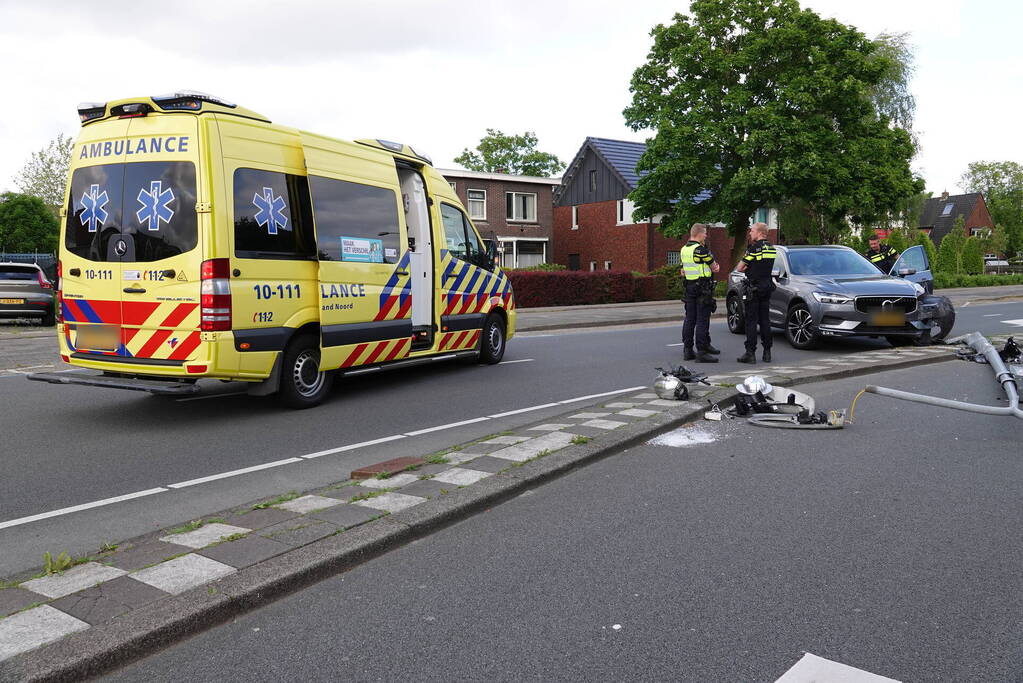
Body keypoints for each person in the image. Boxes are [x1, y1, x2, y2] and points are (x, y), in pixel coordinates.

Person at [736, 222, 776, 364]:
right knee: (765, 320)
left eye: (752, 231)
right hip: (766, 286)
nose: (750, 233)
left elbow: (740, 268)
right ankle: (767, 353)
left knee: (751, 321)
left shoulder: (753, 249)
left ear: (759, 232)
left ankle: (750, 353)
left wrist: (748, 267)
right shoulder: (772, 249)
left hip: (753, 288)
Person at [679, 223, 720, 363]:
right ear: (698, 234)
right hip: (702, 288)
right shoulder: (700, 250)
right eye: (705, 233)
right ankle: (702, 351)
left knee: (689, 319)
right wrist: (716, 266)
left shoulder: (684, 249)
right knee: (702, 319)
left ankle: (688, 350)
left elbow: (683, 269)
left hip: (689, 287)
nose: (706, 235)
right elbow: (714, 267)